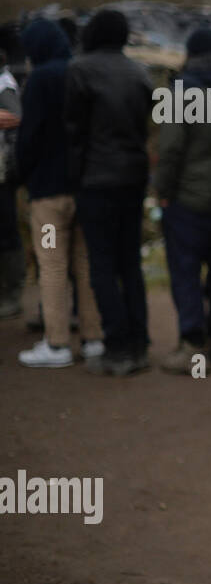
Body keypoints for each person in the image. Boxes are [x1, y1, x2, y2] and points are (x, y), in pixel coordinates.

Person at [12, 20, 104, 366]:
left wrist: (23, 174)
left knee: (51, 265)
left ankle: (58, 343)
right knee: (85, 262)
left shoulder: (39, 80)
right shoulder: (81, 73)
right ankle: (93, 338)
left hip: (48, 194)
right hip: (84, 187)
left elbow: (29, 136)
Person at [154, 27, 211, 374]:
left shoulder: (181, 91)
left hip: (188, 199)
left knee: (186, 270)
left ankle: (193, 346)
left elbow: (170, 148)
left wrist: (162, 190)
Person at [66, 9, 151, 376]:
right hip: (133, 178)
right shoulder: (141, 73)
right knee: (130, 263)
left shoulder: (80, 71)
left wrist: (74, 182)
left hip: (96, 181)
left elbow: (73, 135)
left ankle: (117, 347)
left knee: (102, 266)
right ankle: (139, 343)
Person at [0, 48, 25, 320]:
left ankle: (13, 292)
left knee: (6, 230)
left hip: (3, 171)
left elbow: (16, 116)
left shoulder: (4, 84)